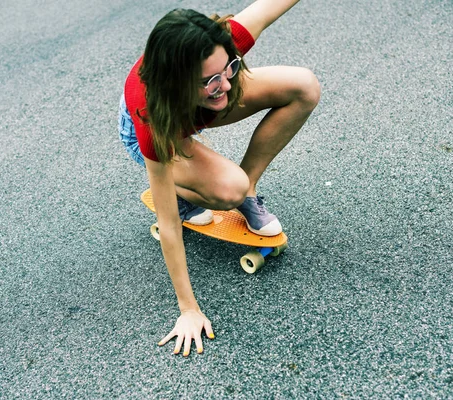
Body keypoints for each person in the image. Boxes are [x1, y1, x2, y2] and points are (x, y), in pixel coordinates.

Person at [118, 0, 320, 357]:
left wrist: (219, 78)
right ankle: (187, 194)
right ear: (179, 81)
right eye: (211, 79)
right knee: (228, 188)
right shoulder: (151, 116)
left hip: (195, 106)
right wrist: (188, 310)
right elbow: (166, 225)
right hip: (165, 125)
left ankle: (249, 191)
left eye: (229, 68)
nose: (226, 84)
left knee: (303, 86)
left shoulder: (216, 53)